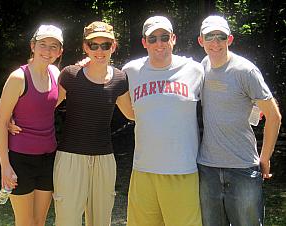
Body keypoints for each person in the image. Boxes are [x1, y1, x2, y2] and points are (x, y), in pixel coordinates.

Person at [197, 15, 282, 226]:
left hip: (243, 168)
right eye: (210, 37)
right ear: (201, 40)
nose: (215, 43)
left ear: (230, 39)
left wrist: (265, 158)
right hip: (207, 169)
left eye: (221, 37)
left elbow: (273, 116)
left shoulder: (246, 71)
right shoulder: (202, 67)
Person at [122, 15, 203, 226]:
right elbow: (100, 76)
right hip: (143, 170)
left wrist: (254, 109)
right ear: (144, 42)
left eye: (164, 37)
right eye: (153, 38)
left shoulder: (195, 70)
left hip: (182, 170)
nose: (159, 43)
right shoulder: (130, 71)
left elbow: (222, 97)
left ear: (173, 39)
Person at [52, 21, 134, 226]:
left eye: (105, 45)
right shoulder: (70, 75)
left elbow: (133, 115)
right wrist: (14, 118)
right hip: (70, 158)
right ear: (85, 47)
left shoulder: (120, 79)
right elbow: (46, 106)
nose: (100, 50)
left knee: (101, 221)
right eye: (93, 45)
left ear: (113, 46)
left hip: (105, 160)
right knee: (67, 220)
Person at [0, 24, 63, 226]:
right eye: (43, 44)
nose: (48, 51)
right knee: (25, 222)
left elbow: (47, 103)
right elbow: (1, 123)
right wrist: (5, 166)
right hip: (20, 160)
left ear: (60, 52)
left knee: (39, 221)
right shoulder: (18, 78)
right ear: (32, 46)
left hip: (48, 159)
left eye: (54, 46)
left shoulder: (55, 73)